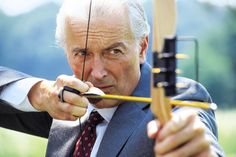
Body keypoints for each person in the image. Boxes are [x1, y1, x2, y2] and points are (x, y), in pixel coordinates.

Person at [0, 0, 224, 156]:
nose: (97, 73)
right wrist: (38, 93)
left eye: (114, 51)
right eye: (83, 53)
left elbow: (191, 125)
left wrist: (197, 148)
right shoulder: (66, 104)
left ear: (142, 47)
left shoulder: (175, 99)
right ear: (67, 52)